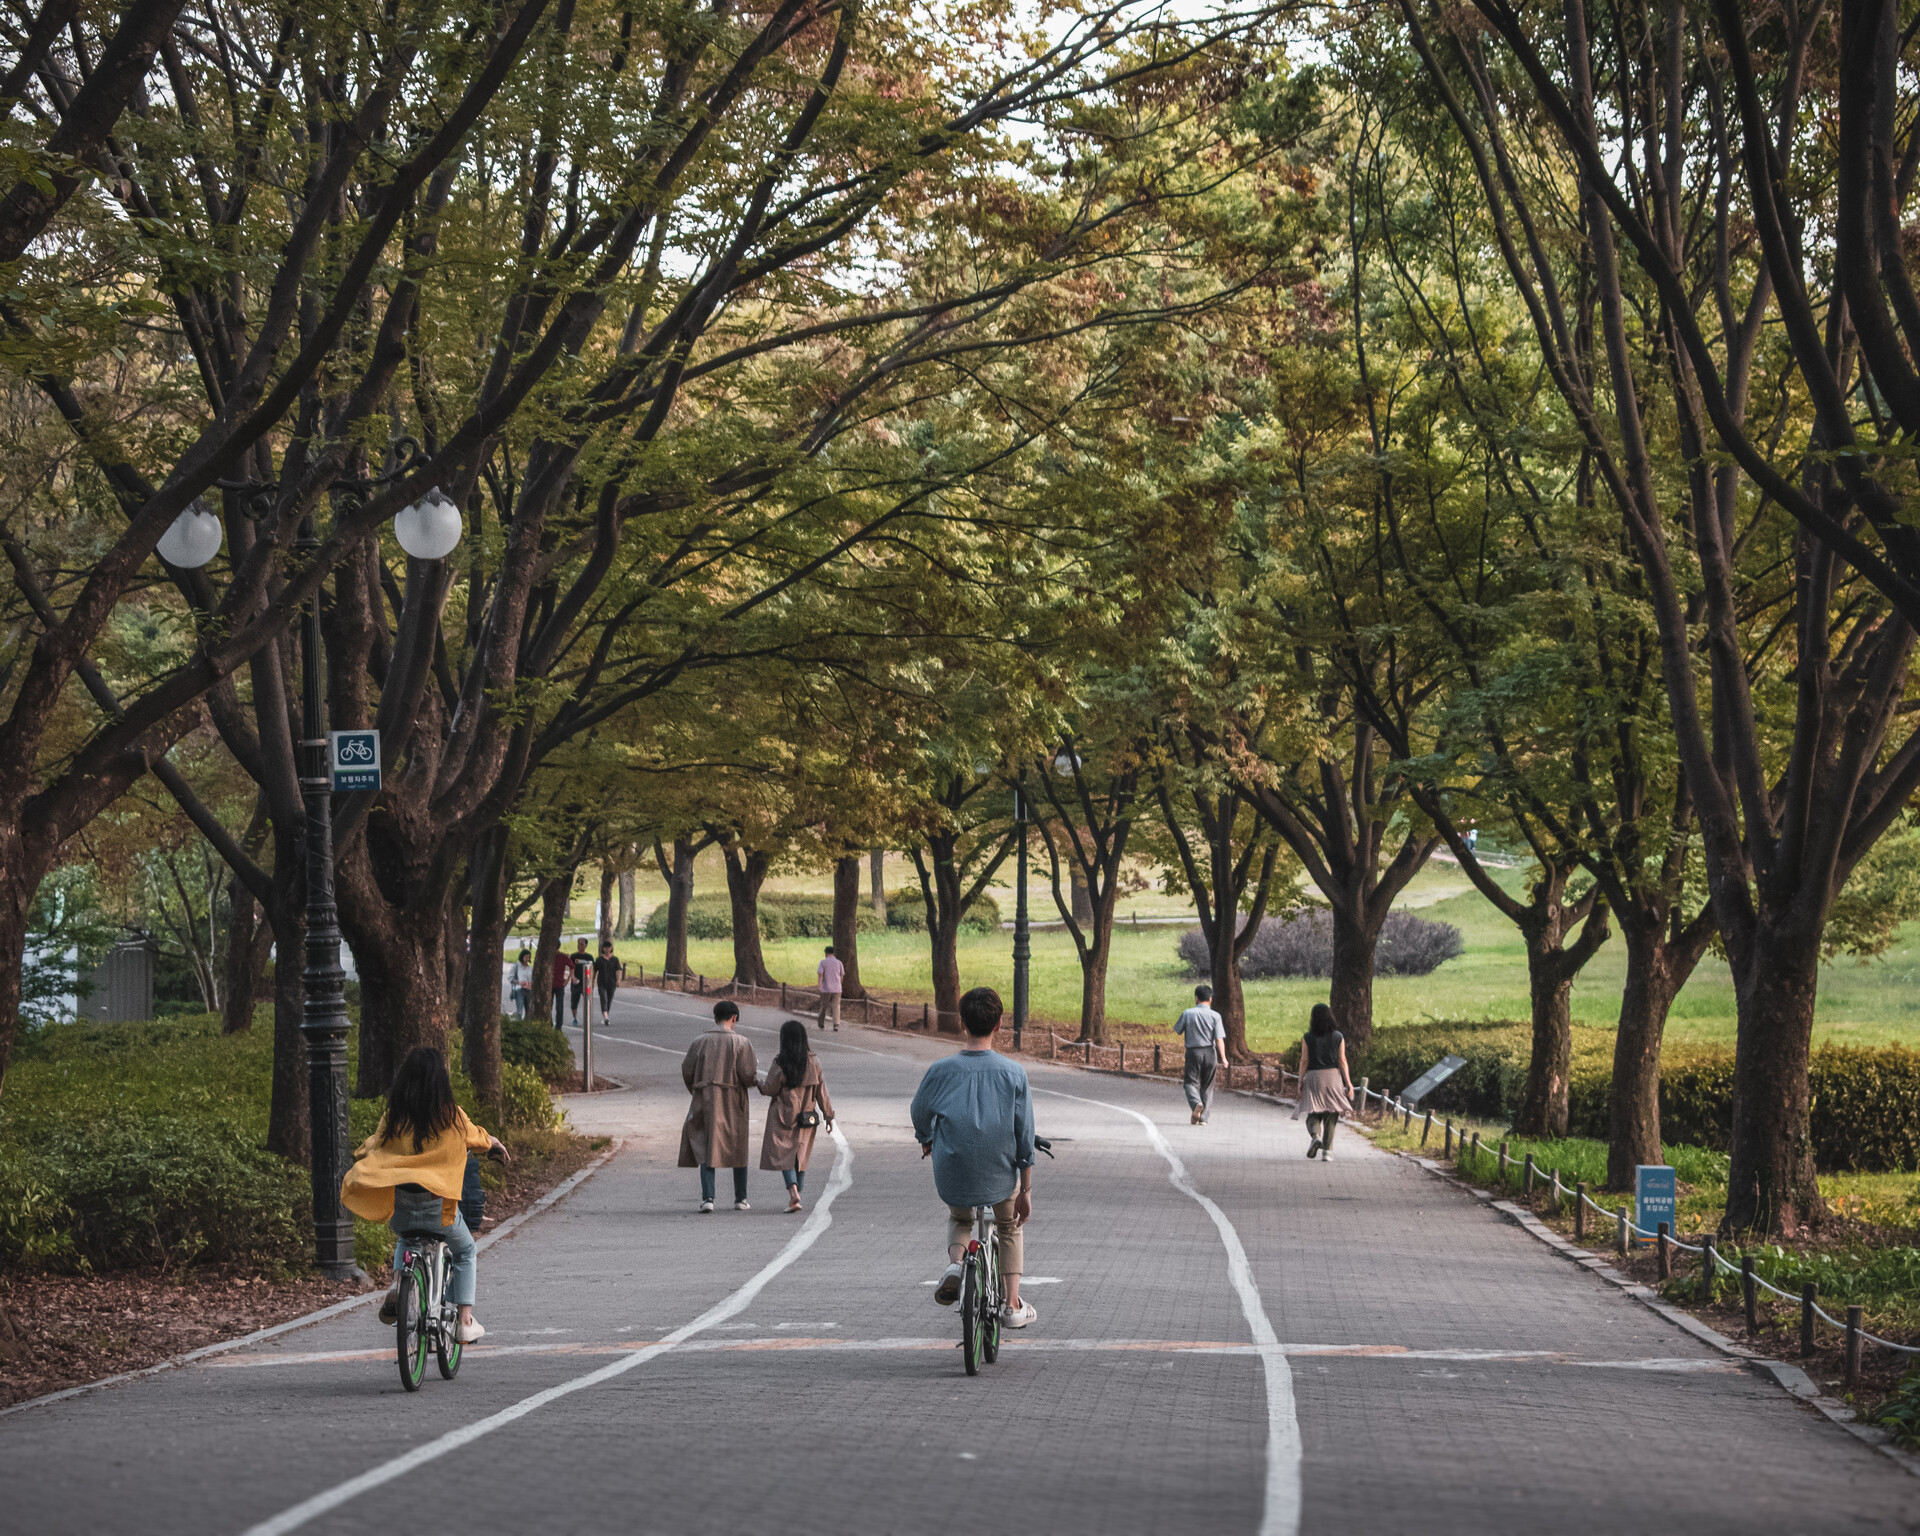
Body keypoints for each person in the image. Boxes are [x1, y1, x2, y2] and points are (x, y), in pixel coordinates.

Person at [341, 1046, 509, 1344]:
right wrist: (493, 1142)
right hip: (437, 1210)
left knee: (406, 1239)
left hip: (403, 1209)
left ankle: (397, 1284)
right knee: (465, 1251)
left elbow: (374, 1145)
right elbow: (477, 1137)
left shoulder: (394, 1118)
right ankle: (465, 1321)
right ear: (441, 1084)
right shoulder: (452, 1118)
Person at [909, 985, 1038, 1328]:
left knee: (961, 1218)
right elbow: (1024, 1136)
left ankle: (955, 1265)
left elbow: (919, 1110)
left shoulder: (940, 1070)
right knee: (1009, 1226)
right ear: (999, 1026)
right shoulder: (1014, 1074)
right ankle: (1012, 1305)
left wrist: (926, 1139)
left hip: (954, 1169)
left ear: (962, 1023)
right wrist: (1025, 1190)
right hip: (1000, 1171)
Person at [679, 999, 758, 1211]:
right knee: (738, 1146)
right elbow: (748, 1075)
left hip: (705, 1097)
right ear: (734, 1018)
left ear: (715, 1018)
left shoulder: (699, 1041)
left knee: (706, 1144)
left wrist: (698, 1090)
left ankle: (708, 1198)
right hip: (733, 1099)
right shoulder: (742, 1042)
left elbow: (687, 1070)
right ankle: (740, 1198)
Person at [759, 1019, 835, 1212]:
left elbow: (769, 1088)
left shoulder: (780, 1062)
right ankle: (797, 1195)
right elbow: (822, 1091)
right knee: (801, 1154)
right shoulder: (814, 1061)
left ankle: (793, 1190)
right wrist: (828, 1116)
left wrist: (756, 1082)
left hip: (783, 1114)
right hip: (807, 1116)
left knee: (784, 1152)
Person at [1292, 1002, 1354, 1160]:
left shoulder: (1307, 1037)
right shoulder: (1338, 1037)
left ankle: (1315, 1136)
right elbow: (1342, 1060)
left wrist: (1300, 1080)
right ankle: (1327, 1152)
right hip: (1333, 1077)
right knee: (1331, 1114)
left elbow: (1304, 1060)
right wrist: (1348, 1083)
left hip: (1314, 1077)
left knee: (1313, 1112)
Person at [1174, 983, 1228, 1125]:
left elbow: (1178, 1030)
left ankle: (1196, 1103)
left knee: (1190, 1083)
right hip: (1210, 1053)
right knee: (1208, 1085)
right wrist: (1223, 1058)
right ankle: (1203, 1118)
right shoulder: (1216, 1016)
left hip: (1193, 1052)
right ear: (1210, 999)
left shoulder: (1188, 1013)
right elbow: (1219, 1038)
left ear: (1196, 998)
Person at [593, 940, 623, 1023]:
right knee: (603, 998)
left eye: (608, 947)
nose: (607, 949)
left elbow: (619, 970)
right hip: (602, 982)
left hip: (612, 982)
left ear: (611, 948)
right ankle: (606, 1016)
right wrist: (592, 982)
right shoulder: (599, 959)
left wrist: (618, 980)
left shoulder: (615, 959)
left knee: (609, 1000)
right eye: (605, 947)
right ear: (603, 948)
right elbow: (595, 970)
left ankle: (606, 1015)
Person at [815, 944, 844, 1032]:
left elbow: (820, 974)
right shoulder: (839, 963)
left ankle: (821, 1023)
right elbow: (842, 975)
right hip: (837, 988)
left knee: (824, 1006)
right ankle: (836, 1024)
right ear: (833, 953)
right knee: (836, 1006)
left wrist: (819, 985)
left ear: (826, 953)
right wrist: (840, 984)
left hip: (826, 988)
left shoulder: (823, 962)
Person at [568, 937, 593, 1027]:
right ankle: (574, 1018)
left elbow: (591, 970)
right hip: (576, 982)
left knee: (587, 1001)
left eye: (582, 944)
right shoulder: (574, 956)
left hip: (586, 983)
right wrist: (572, 977)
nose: (580, 946)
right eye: (579, 944)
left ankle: (587, 1017)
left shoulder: (589, 957)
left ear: (586, 945)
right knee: (574, 1002)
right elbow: (571, 968)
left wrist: (591, 982)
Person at [508, 947, 533, 1018]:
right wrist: (519, 982)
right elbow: (510, 978)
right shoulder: (516, 966)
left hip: (529, 990)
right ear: (522, 956)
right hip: (519, 990)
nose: (527, 959)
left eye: (529, 957)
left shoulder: (530, 968)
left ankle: (526, 1026)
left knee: (529, 1010)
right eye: (526, 957)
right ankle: (518, 1025)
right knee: (519, 1010)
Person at [550, 946, 572, 1029]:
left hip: (559, 985)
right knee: (548, 1006)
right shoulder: (548, 956)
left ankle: (558, 1026)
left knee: (559, 1007)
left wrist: (568, 979)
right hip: (549, 985)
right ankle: (549, 1023)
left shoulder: (563, 957)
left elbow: (572, 967)